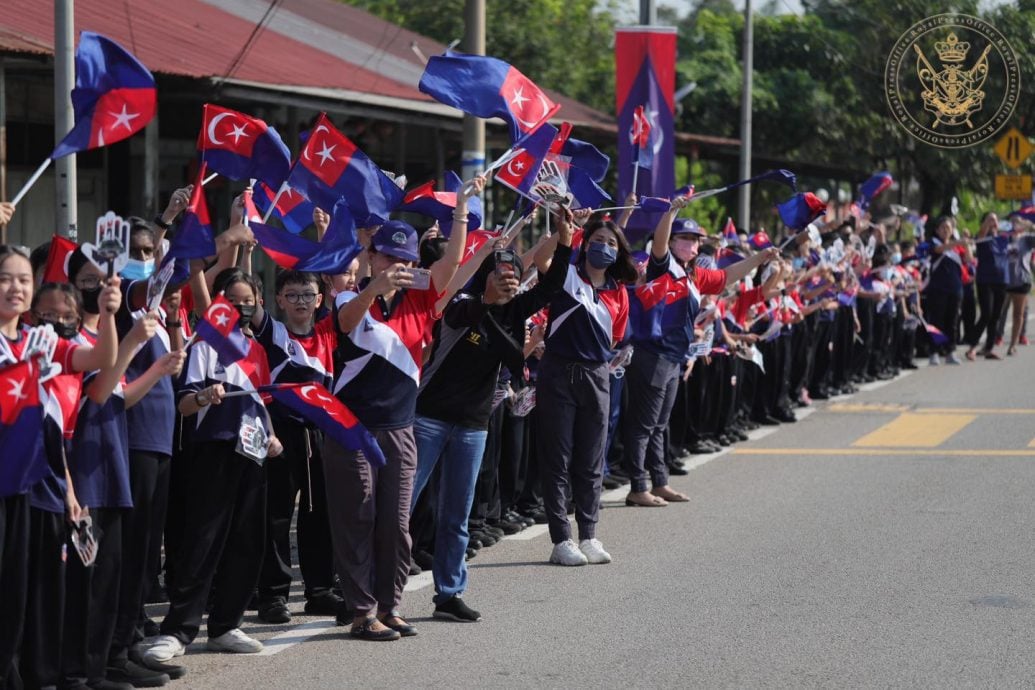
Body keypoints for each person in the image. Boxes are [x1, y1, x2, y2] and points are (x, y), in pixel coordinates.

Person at [326, 177, 482, 641]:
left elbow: (453, 261)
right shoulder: (349, 298)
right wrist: (372, 288)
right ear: (372, 257)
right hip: (351, 428)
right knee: (359, 517)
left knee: (396, 522)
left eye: (405, 259)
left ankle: (390, 605)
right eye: (388, 256)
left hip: (399, 426)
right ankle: (361, 610)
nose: (397, 265)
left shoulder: (423, 300)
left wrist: (460, 211)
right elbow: (346, 325)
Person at [411, 213, 573, 621]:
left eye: (514, 273)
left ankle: (448, 593)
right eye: (500, 272)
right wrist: (485, 298)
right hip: (429, 418)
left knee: (457, 516)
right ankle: (377, 592)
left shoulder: (516, 311)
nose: (508, 279)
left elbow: (552, 285)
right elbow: (463, 314)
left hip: (473, 426)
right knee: (402, 507)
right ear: (483, 275)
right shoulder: (460, 305)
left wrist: (566, 240)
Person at [143, 268, 282, 664]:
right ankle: (178, 630)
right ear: (219, 301)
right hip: (213, 453)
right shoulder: (204, 343)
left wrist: (272, 437)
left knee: (247, 542)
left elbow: (261, 404)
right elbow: (183, 404)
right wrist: (204, 397)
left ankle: (225, 625)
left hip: (252, 454)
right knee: (202, 542)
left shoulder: (256, 350)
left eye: (248, 301)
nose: (240, 308)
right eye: (233, 301)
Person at [624, 203, 776, 507]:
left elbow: (726, 276)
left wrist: (760, 258)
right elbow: (659, 243)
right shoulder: (663, 265)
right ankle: (638, 487)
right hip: (652, 354)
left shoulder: (694, 275)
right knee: (644, 424)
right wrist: (670, 214)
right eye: (685, 238)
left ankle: (660, 481)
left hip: (674, 356)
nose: (692, 245)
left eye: (696, 240)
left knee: (660, 424)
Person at [533, 215, 634, 566]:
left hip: (596, 377)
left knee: (592, 460)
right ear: (585, 242)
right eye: (598, 239)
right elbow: (539, 261)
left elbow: (616, 339)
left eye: (611, 243)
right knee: (557, 459)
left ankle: (589, 534)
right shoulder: (567, 275)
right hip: (559, 374)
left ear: (619, 252)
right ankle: (562, 539)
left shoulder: (619, 291)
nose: (603, 247)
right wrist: (568, 229)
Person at [248, 269, 342, 624]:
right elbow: (247, 295)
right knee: (276, 516)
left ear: (320, 299)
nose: (300, 301)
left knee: (320, 515)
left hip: (320, 433)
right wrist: (244, 242)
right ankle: (272, 596)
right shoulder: (273, 331)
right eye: (292, 295)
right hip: (280, 435)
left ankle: (319, 590)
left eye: (307, 295)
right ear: (278, 300)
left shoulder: (328, 331)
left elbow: (342, 282)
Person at [924, 217, 969, 365]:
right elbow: (938, 250)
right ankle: (934, 351)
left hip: (955, 288)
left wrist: (966, 244)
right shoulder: (933, 243)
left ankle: (950, 351)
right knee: (937, 321)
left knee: (953, 321)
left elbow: (968, 260)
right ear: (937, 230)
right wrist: (958, 242)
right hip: (938, 289)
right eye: (942, 227)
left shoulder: (956, 247)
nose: (945, 230)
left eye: (948, 228)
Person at [969, 212, 1008, 360]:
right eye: (990, 220)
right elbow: (980, 234)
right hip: (985, 280)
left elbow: (1020, 230)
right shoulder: (983, 238)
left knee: (995, 316)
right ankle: (972, 347)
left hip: (1001, 280)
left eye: (996, 220)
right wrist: (988, 222)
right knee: (986, 314)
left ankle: (988, 348)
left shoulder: (1003, 238)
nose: (993, 223)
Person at [1003, 224, 1035, 356]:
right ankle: (993, 340)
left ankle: (1012, 345)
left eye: (1018, 222)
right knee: (998, 312)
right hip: (1003, 280)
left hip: (1021, 280)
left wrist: (1031, 226)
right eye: (1013, 222)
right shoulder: (1004, 238)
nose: (1016, 225)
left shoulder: (1026, 239)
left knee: (1018, 314)